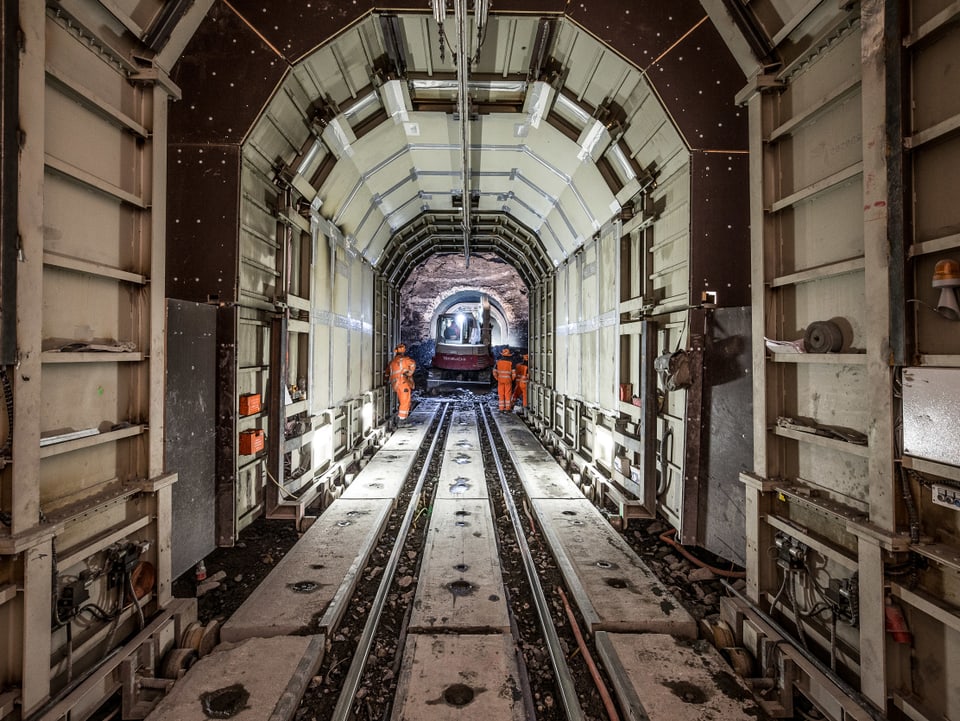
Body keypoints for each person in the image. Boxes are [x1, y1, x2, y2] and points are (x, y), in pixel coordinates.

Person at [387, 343, 416, 420]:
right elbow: (413, 364)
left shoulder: (392, 362)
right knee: (405, 402)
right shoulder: (405, 360)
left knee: (401, 401)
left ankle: (400, 418)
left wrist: (384, 382)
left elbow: (387, 373)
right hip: (403, 383)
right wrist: (410, 373)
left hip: (395, 385)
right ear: (403, 351)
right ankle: (402, 420)